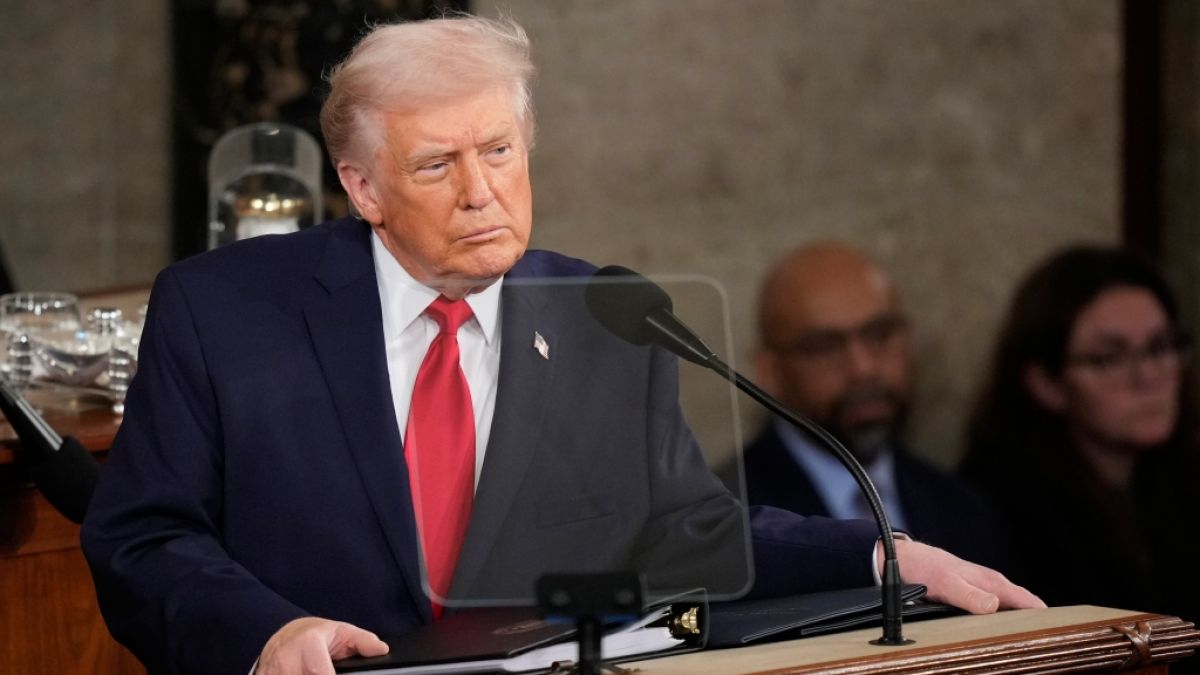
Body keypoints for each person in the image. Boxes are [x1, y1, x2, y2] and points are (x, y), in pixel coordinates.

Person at [81, 15, 1041, 675]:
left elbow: (681, 532)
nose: (481, 190)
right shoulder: (223, 311)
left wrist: (880, 557)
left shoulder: (606, 313)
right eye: (436, 164)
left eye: (499, 150)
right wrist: (265, 632)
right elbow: (142, 535)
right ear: (363, 188)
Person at [960, 245, 1199, 621]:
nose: (1148, 376)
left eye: (1160, 346)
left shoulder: (1178, 477)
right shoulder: (1001, 507)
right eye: (1111, 357)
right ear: (1046, 384)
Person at [738, 243, 1006, 569]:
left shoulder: (960, 506)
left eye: (879, 334)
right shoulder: (731, 517)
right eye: (825, 346)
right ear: (770, 371)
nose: (863, 368)